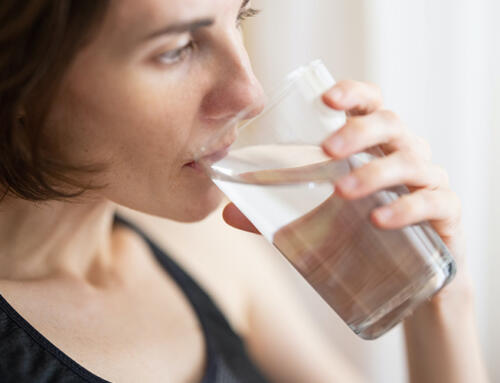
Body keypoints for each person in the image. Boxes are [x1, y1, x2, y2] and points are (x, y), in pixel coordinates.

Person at [0, 0, 489, 382]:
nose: (250, 94)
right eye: (175, 49)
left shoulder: (201, 248)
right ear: (19, 75)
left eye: (241, 16)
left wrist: (442, 295)